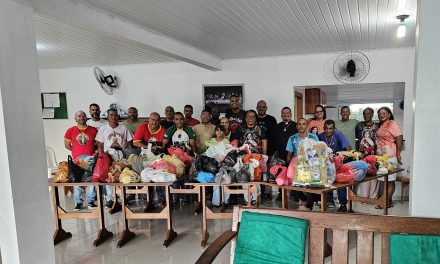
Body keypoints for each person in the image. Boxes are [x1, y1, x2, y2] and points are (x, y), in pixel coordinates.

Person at [96, 108, 133, 208]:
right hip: (108, 155)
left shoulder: (123, 128)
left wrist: (124, 150)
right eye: (111, 115)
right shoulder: (103, 129)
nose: (113, 117)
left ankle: (123, 197)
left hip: (121, 155)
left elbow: (129, 141)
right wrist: (101, 156)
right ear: (107, 117)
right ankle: (110, 199)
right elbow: (99, 144)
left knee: (123, 175)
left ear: (118, 117)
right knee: (109, 176)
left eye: (115, 115)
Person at [64, 110, 98, 211]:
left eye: (83, 116)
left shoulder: (93, 130)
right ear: (75, 118)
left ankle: (91, 202)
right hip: (77, 160)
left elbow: (97, 144)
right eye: (79, 116)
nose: (81, 118)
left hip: (90, 159)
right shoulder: (70, 130)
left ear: (86, 118)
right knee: (77, 180)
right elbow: (67, 145)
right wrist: (77, 153)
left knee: (90, 180)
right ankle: (78, 203)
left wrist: (92, 154)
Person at [133, 112, 167, 211]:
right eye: (152, 120)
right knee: (145, 178)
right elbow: (136, 142)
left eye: (157, 120)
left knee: (159, 178)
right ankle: (147, 201)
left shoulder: (163, 130)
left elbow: (163, 146)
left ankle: (161, 201)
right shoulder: (143, 127)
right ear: (149, 119)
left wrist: (157, 148)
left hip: (158, 157)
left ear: (159, 121)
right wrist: (148, 147)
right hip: (145, 157)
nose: (154, 122)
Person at [234, 110, 267, 204]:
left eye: (252, 116)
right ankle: (247, 199)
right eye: (248, 116)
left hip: (256, 157)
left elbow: (264, 142)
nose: (250, 118)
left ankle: (255, 199)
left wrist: (264, 156)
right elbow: (236, 142)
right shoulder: (240, 128)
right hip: (243, 157)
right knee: (244, 178)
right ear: (245, 118)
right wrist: (237, 153)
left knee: (255, 178)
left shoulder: (260, 129)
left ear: (255, 118)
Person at [163, 112, 196, 203]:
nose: (179, 121)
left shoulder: (189, 130)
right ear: (173, 120)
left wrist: (192, 156)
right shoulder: (170, 129)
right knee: (175, 177)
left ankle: (185, 198)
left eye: (181, 119)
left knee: (186, 177)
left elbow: (193, 145)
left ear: (184, 119)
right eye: (176, 119)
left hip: (186, 158)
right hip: (174, 158)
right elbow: (164, 143)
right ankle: (175, 198)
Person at [318, 120, 351, 212]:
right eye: (326, 129)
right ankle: (329, 201)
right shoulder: (320, 136)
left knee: (340, 183)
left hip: (338, 163)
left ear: (334, 129)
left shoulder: (338, 135)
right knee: (327, 181)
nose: (328, 131)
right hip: (326, 164)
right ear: (324, 128)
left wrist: (344, 157)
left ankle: (343, 203)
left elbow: (348, 148)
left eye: (331, 129)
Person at [375, 106, 403, 208]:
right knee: (383, 180)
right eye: (379, 113)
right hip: (381, 157)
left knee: (390, 180)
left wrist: (398, 153)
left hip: (390, 156)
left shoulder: (393, 124)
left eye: (384, 113)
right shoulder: (381, 125)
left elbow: (399, 137)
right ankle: (388, 201)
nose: (381, 115)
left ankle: (384, 202)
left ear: (389, 114)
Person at [272, 107, 298, 201]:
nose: (285, 115)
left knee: (293, 175)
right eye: (283, 113)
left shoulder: (296, 126)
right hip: (280, 155)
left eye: (287, 113)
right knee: (281, 175)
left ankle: (295, 194)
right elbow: (273, 141)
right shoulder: (277, 127)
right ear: (281, 115)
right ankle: (281, 194)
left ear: (291, 114)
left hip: (292, 154)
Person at [355, 107, 379, 198]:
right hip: (362, 155)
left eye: (368, 113)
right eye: (364, 113)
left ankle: (373, 197)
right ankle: (364, 196)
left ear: (372, 114)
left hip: (374, 155)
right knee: (363, 173)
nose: (366, 115)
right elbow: (357, 140)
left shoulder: (377, 126)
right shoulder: (359, 125)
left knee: (373, 174)